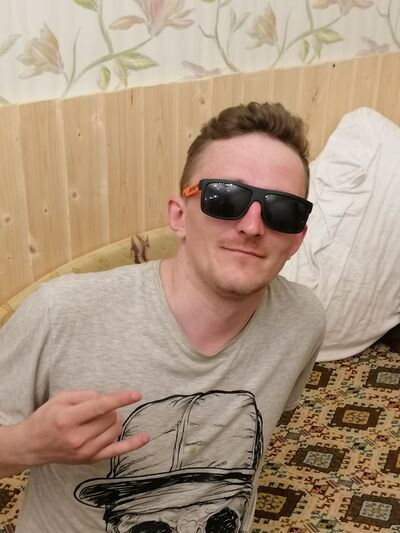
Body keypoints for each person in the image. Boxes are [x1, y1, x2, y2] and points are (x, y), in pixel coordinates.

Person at [0, 101, 325, 532]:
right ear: (179, 215)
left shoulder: (302, 322)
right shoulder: (59, 314)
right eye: (224, 198)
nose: (252, 226)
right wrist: (25, 445)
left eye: (282, 209)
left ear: (297, 238)